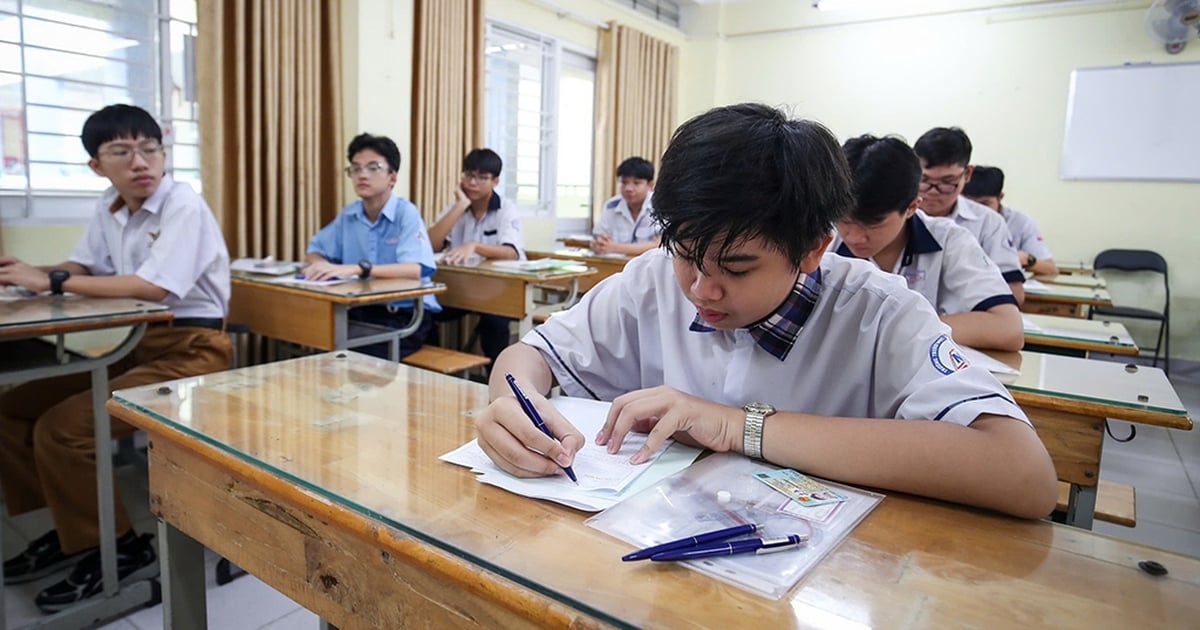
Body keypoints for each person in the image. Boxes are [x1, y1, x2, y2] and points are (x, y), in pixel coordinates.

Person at [473, 104, 1057, 520]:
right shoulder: (651, 279)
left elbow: (1024, 476)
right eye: (687, 255)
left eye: (738, 267)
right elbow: (532, 355)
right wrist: (512, 404)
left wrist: (741, 427)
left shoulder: (881, 314)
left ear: (812, 249)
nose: (703, 289)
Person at [0, 104, 232, 612]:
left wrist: (53, 281)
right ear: (97, 165)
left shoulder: (182, 205)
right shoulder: (111, 206)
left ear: (164, 154)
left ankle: (119, 549)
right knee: (13, 408)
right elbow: (82, 264)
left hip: (195, 353)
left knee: (63, 428)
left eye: (150, 149)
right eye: (121, 152)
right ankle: (68, 533)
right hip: (134, 347)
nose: (140, 161)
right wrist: (32, 271)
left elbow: (154, 287)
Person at [831, 135, 1023, 351]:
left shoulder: (949, 240)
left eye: (874, 223)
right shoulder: (820, 237)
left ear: (912, 207)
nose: (855, 236)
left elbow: (1009, 328)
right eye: (844, 220)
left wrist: (896, 330)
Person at [305, 133, 440, 360]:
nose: (362, 175)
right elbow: (315, 249)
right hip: (361, 311)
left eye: (373, 167)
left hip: (405, 315)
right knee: (315, 340)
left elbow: (415, 269)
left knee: (353, 358)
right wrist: (320, 266)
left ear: (392, 177)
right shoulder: (349, 215)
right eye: (356, 169)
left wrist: (359, 268)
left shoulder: (405, 213)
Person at [427, 149, 525, 363]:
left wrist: (475, 246)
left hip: (500, 292)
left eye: (482, 177)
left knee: (494, 325)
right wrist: (460, 205)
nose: (473, 182)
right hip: (463, 290)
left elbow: (511, 253)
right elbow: (429, 245)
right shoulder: (456, 209)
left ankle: (498, 386)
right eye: (469, 175)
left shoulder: (506, 209)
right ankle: (434, 371)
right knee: (424, 311)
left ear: (495, 181)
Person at [912, 127, 1026, 304]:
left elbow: (1014, 293)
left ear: (967, 174)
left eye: (947, 182)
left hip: (965, 326)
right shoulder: (896, 216)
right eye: (924, 180)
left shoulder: (988, 222)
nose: (933, 192)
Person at [963, 166, 1058, 276]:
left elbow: (1051, 269)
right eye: (970, 204)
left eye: (985, 204)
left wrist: (1026, 259)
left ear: (1000, 198)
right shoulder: (952, 218)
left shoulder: (1021, 222)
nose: (978, 211)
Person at [591, 157, 661, 256]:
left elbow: (659, 246)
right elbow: (598, 240)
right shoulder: (611, 206)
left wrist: (614, 247)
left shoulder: (661, 206)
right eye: (624, 182)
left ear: (650, 185)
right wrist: (598, 244)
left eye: (636, 183)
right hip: (617, 265)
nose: (628, 188)